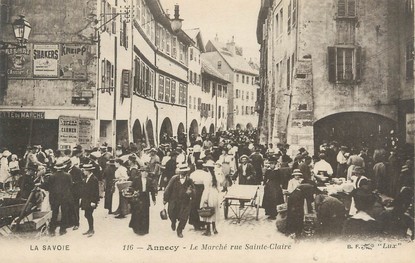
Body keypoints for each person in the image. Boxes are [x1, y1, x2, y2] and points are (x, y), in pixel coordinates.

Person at [39, 161, 73, 236]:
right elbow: (71, 186)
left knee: (54, 213)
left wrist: (40, 185)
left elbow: (47, 186)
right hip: (64, 197)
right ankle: (62, 230)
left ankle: (52, 230)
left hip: (54, 197)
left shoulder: (52, 176)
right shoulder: (68, 175)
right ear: (63, 168)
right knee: (64, 213)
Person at [163, 165, 196, 238]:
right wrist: (165, 199)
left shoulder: (189, 180)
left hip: (185, 201)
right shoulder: (174, 179)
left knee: (184, 217)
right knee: (172, 214)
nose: (184, 173)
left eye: (185, 171)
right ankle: (173, 222)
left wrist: (190, 192)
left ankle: (180, 230)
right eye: (182, 171)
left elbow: (194, 190)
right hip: (174, 201)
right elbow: (168, 189)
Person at [128, 164, 157, 235]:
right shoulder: (136, 179)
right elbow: (131, 187)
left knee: (145, 213)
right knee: (137, 213)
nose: (145, 173)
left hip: (145, 197)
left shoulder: (149, 180)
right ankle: (137, 228)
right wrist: (134, 191)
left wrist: (154, 199)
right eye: (143, 172)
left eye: (147, 172)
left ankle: (144, 229)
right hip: (138, 197)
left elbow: (152, 190)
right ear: (141, 172)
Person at [199, 161, 220, 236]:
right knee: (213, 210)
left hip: (209, 193)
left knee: (207, 210)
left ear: (207, 168)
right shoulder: (216, 175)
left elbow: (207, 188)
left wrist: (206, 199)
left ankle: (208, 230)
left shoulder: (207, 176)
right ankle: (214, 229)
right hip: (215, 194)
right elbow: (218, 187)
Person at [189, 160, 210, 230]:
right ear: (202, 166)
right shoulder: (205, 174)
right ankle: (202, 223)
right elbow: (206, 184)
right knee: (202, 206)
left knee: (194, 206)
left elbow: (190, 183)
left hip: (194, 190)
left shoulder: (192, 174)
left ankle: (195, 223)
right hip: (202, 190)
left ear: (196, 166)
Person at [80, 164, 100, 237]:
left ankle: (91, 229)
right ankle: (90, 229)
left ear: (88, 171)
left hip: (91, 201)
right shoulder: (87, 178)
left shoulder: (94, 179)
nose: (84, 172)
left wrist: (94, 201)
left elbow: (95, 191)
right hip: (86, 200)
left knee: (89, 214)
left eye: (85, 170)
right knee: (87, 214)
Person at [68, 159, 84, 230]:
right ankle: (71, 222)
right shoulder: (66, 169)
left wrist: (74, 183)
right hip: (68, 192)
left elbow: (81, 181)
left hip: (75, 192)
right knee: (69, 207)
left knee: (75, 208)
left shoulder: (77, 170)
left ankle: (76, 223)